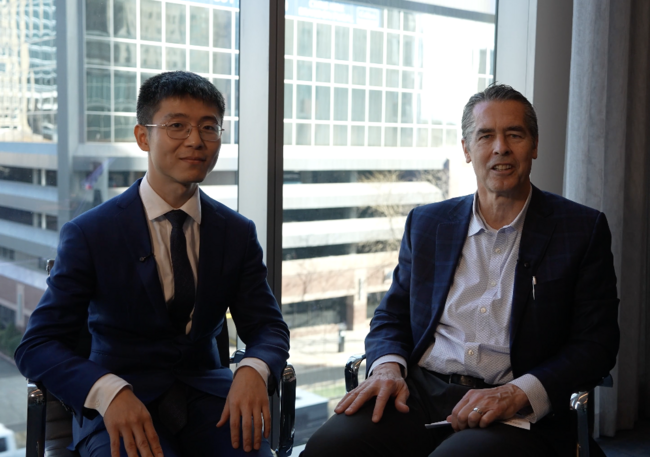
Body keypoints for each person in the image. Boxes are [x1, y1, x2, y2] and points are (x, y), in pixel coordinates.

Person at [302, 84, 620, 457]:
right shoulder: (427, 223)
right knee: (327, 448)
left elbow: (596, 343)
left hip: (512, 409)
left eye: (514, 134)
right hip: (418, 394)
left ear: (534, 145)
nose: (500, 147)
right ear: (467, 150)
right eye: (485, 136)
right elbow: (392, 316)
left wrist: (518, 392)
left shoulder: (580, 229)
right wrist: (387, 368)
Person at [15, 71, 290, 457]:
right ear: (143, 136)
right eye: (177, 126)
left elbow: (267, 327)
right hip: (119, 405)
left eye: (209, 127)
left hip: (212, 399)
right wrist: (108, 391)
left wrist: (253, 368)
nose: (195, 140)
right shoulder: (91, 233)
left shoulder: (236, 232)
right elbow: (37, 345)